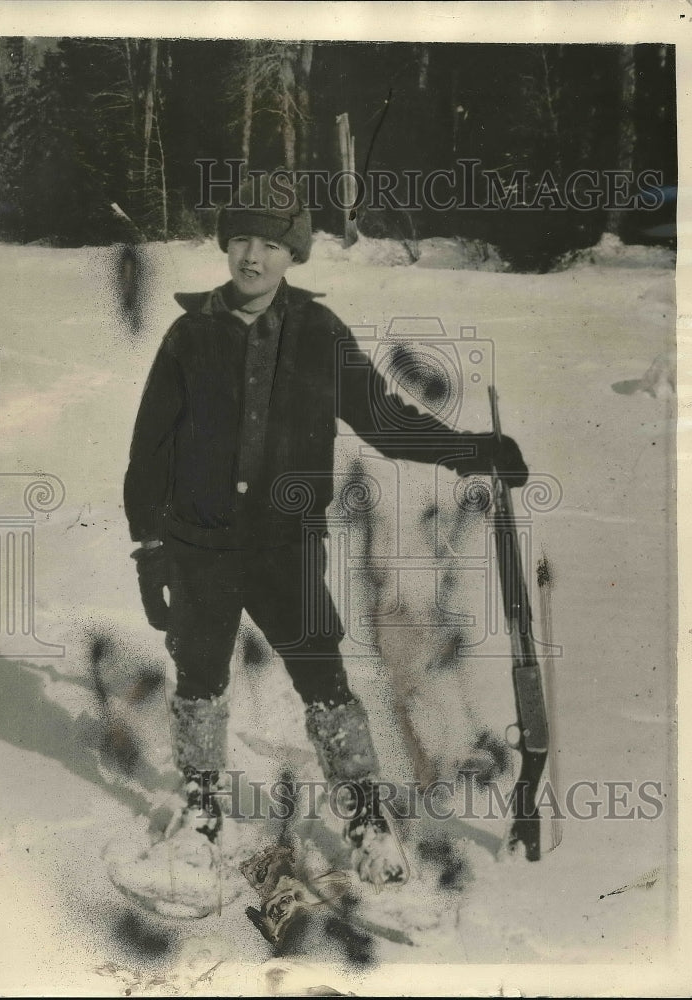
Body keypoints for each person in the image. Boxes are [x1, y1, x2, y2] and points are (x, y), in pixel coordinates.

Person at [122, 174, 527, 906]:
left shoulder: (319, 336)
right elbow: (149, 447)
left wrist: (475, 452)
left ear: (292, 254)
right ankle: (202, 809)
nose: (252, 257)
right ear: (225, 245)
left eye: (271, 244)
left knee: (324, 681)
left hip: (284, 548)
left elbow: (385, 420)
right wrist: (149, 547)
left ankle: (368, 817)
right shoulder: (190, 336)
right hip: (199, 544)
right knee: (199, 680)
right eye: (241, 239)